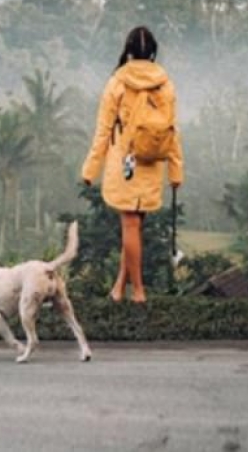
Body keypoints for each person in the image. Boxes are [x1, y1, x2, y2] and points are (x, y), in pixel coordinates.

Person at [81, 26, 184, 302]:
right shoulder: (165, 84)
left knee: (129, 226)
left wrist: (90, 169)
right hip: (152, 163)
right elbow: (172, 130)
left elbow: (103, 130)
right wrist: (176, 170)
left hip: (124, 162)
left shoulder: (117, 82)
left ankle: (138, 291)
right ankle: (118, 288)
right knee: (135, 226)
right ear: (152, 51)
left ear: (128, 49)